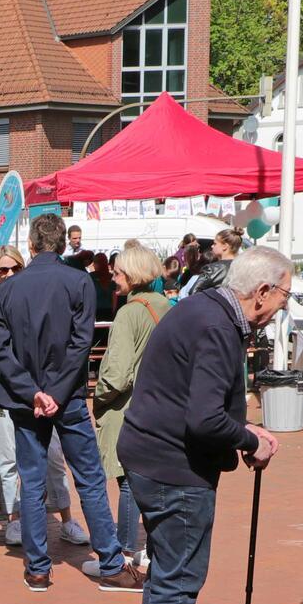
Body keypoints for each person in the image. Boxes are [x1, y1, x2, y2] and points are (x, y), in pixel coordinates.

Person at [119, 248, 291, 604]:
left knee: (170, 575)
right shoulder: (215, 324)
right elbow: (206, 418)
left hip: (157, 456)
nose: (282, 306)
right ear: (261, 293)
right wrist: (249, 438)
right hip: (173, 467)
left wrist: (242, 431)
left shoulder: (204, 309)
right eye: (284, 296)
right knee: (178, 578)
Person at [0, 212, 139, 593]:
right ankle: (109, 561)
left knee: (33, 480)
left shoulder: (6, 290)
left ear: (32, 245)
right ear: (60, 243)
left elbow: (1, 351)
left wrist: (33, 391)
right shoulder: (79, 282)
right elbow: (81, 342)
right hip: (65, 395)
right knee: (88, 477)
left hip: (29, 400)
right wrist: (52, 391)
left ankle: (38, 568)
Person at [0, 245, 88, 549]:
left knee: (54, 459)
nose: (10, 274)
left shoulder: (31, 297)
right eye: (3, 270)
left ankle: (66, 519)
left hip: (42, 396)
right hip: (8, 394)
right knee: (8, 459)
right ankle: (14, 519)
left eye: (15, 268)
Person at [93, 244, 171, 571]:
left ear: (133, 274)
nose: (113, 277)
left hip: (131, 409)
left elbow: (117, 373)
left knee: (128, 481)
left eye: (118, 272)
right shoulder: (169, 307)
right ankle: (153, 551)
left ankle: (124, 552)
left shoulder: (129, 312)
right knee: (155, 482)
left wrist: (98, 395)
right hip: (164, 409)